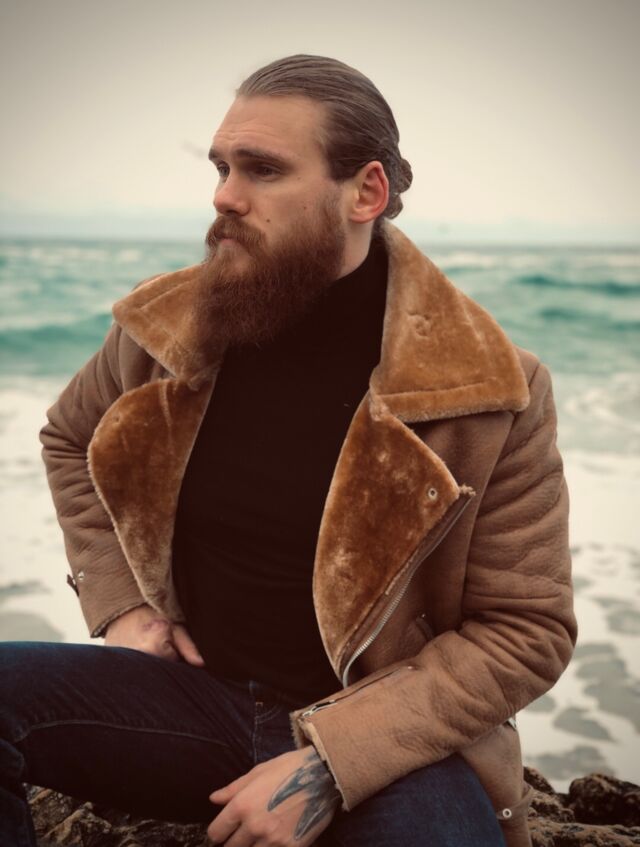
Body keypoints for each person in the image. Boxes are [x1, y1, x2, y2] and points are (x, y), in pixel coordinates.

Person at [0, 54, 576, 847]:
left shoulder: (489, 387)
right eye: (222, 167)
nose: (225, 196)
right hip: (194, 703)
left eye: (263, 170)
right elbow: (71, 437)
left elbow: (527, 631)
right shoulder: (167, 325)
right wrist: (123, 604)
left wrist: (330, 761)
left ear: (365, 193)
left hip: (386, 737)